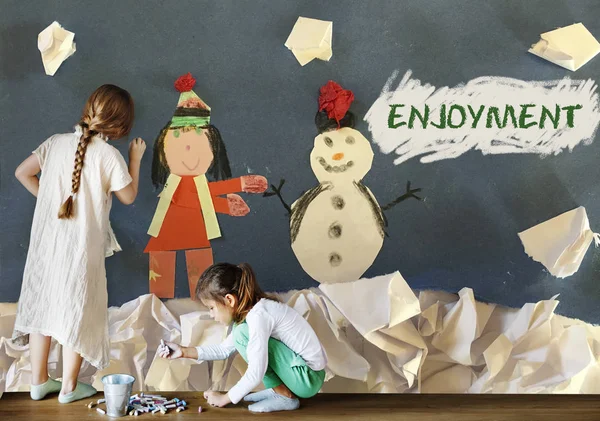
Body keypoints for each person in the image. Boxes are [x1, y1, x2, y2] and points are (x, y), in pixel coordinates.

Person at [11, 84, 146, 403]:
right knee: (76, 308)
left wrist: (50, 200)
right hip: (80, 249)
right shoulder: (109, 155)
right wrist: (135, 159)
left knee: (44, 306)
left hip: (47, 245)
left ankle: (39, 381)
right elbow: (129, 196)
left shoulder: (55, 144)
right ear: (120, 125)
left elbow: (22, 173)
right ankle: (69, 387)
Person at [160, 263, 327, 413]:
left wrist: (225, 398)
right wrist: (182, 351)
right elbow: (223, 349)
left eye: (211, 308)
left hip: (308, 378)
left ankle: (285, 396)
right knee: (241, 333)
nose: (211, 315)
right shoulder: (254, 314)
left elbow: (256, 371)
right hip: (304, 375)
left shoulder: (258, 316)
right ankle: (280, 391)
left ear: (229, 300)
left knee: (241, 334)